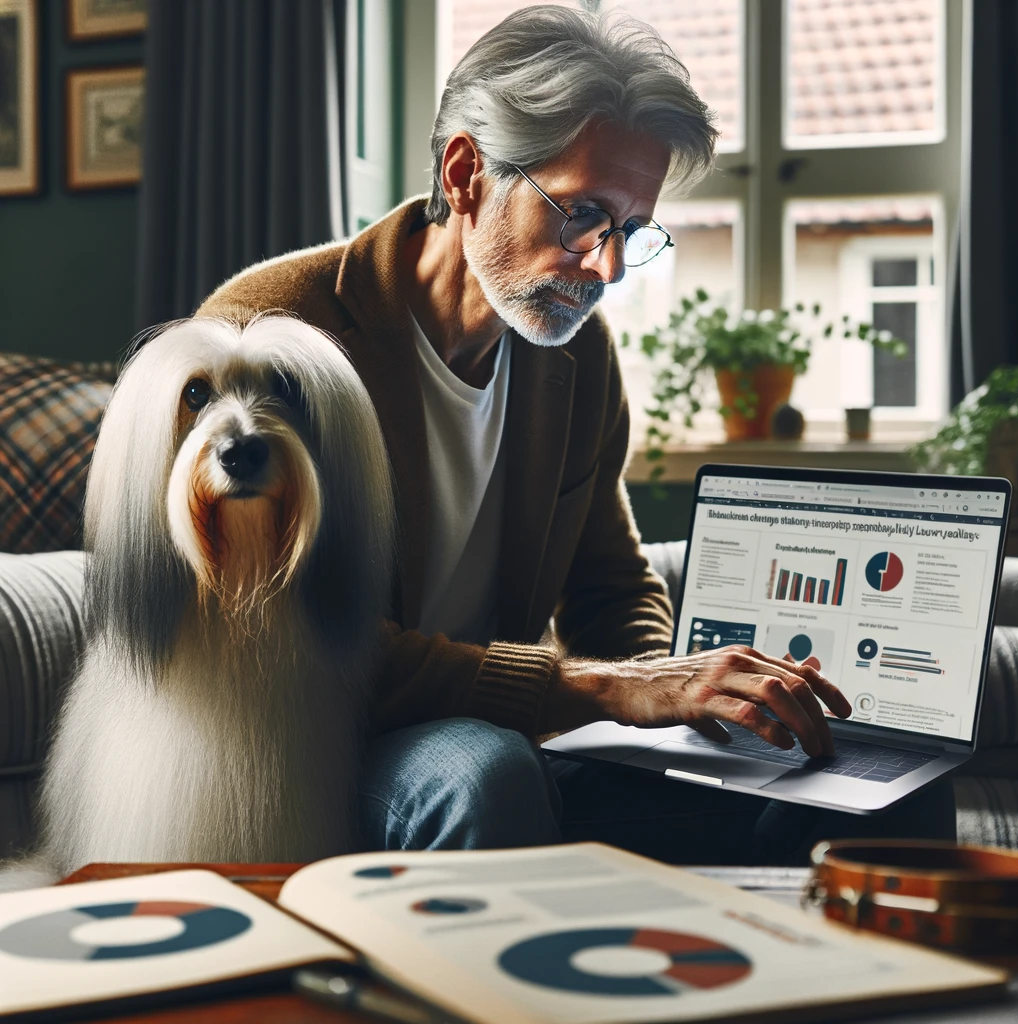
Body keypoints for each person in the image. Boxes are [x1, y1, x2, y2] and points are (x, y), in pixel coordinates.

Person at [198, 5, 953, 862]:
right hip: (341, 737)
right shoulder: (274, 331)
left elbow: (610, 581)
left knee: (875, 780)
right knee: (484, 772)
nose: (609, 268)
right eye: (584, 215)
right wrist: (613, 689)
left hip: (529, 724)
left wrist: (689, 708)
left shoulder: (575, 353)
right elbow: (295, 646)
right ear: (466, 173)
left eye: (632, 230)